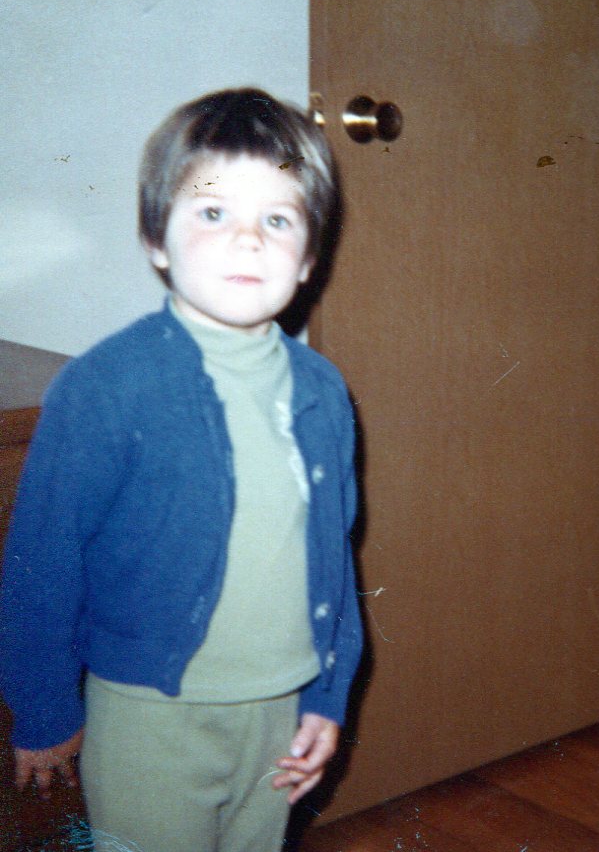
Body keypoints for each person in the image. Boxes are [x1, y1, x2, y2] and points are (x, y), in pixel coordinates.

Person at [0, 87, 364, 852]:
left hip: (281, 705)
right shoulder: (104, 387)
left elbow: (333, 559)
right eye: (213, 212)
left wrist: (327, 696)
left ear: (308, 257)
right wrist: (43, 709)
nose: (247, 240)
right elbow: (42, 560)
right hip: (149, 714)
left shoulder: (323, 392)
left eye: (277, 219)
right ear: (156, 239)